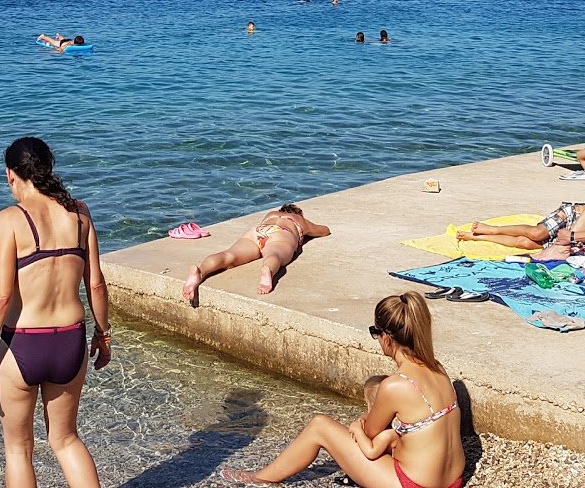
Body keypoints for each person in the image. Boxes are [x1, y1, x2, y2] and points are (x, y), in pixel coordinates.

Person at [0, 137, 110, 488]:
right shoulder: (79, 213)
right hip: (70, 342)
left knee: (18, 450)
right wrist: (103, 334)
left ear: (10, 175)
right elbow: (96, 285)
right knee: (65, 440)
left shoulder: (10, 220)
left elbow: (0, 297)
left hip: (23, 344)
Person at [220, 292, 465, 488]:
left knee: (320, 426)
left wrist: (358, 424)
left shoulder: (397, 384)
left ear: (386, 338)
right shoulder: (439, 369)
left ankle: (261, 478)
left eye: (375, 333)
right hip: (452, 480)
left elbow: (368, 434)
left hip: (413, 484)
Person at [182, 204, 331, 303]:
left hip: (258, 231)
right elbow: (324, 230)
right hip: (282, 233)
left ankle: (200, 272)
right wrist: (305, 230)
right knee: (275, 254)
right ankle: (268, 270)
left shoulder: (271, 214)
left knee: (229, 255)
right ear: (297, 214)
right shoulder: (299, 220)